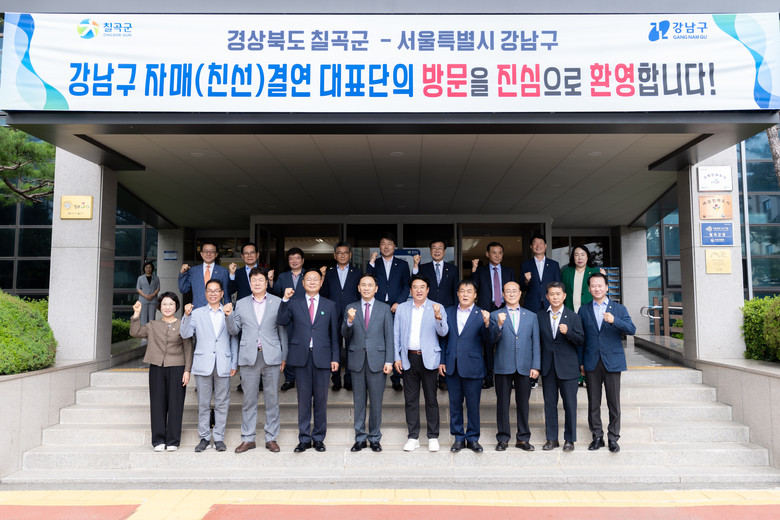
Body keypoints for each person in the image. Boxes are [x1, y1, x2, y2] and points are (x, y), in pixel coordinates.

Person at [225, 267, 287, 454]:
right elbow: (234, 330)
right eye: (254, 281)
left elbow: (282, 331)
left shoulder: (277, 302)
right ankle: (248, 438)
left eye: (261, 280)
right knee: (249, 400)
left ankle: (271, 438)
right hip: (248, 356)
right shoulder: (241, 303)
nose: (257, 283)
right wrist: (228, 316)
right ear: (250, 283)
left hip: (271, 355)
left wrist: (284, 356)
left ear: (266, 283)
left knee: (272, 400)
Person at [277, 269, 339, 453]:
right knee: (303, 400)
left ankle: (318, 438)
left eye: (315, 279)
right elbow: (281, 320)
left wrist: (335, 357)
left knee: (320, 400)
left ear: (321, 283)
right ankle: (304, 439)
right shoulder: (294, 303)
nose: (312, 282)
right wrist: (285, 299)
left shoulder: (330, 305)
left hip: (323, 357)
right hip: (301, 357)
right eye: (308, 279)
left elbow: (334, 334)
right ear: (303, 283)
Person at [578, 272, 636, 453]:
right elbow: (581, 339)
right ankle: (597, 436)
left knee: (613, 402)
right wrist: (581, 362)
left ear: (606, 287)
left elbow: (632, 329)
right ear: (589, 289)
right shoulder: (584, 310)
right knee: (593, 402)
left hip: (612, 361)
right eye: (593, 286)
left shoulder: (619, 309)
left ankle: (613, 437)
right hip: (591, 361)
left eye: (600, 285)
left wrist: (614, 320)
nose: (597, 288)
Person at [180, 278, 237, 453]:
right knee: (203, 404)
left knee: (222, 403)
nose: (213, 294)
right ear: (205, 293)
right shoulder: (196, 313)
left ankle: (218, 438)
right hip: (203, 363)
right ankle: (204, 437)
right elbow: (185, 334)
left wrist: (234, 363)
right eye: (209, 291)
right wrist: (186, 316)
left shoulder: (229, 311)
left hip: (223, 363)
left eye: (216, 290)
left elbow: (234, 335)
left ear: (222, 293)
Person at [129, 292, 192, 452]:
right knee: (157, 404)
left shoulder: (182, 324)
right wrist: (136, 314)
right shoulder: (152, 325)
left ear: (176, 306)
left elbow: (188, 348)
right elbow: (135, 332)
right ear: (159, 307)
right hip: (157, 367)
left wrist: (187, 370)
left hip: (177, 367)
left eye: (171, 304)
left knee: (176, 404)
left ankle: (173, 440)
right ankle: (158, 440)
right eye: (164, 304)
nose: (167, 307)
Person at [394, 275, 449, 452]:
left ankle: (433, 437)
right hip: (408, 358)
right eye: (415, 287)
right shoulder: (402, 308)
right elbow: (396, 335)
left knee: (431, 399)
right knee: (410, 400)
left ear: (428, 289)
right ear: (410, 290)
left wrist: (438, 317)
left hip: (429, 359)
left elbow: (444, 332)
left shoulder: (437, 307)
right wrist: (397, 357)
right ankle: (413, 437)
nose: (418, 290)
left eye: (422, 287)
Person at [342, 274, 394, 452]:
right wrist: (349, 321)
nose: (366, 288)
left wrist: (389, 360)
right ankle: (360, 438)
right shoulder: (350, 308)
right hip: (357, 360)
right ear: (358, 288)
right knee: (359, 401)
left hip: (377, 361)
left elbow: (389, 336)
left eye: (370, 285)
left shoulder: (384, 308)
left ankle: (375, 438)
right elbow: (345, 334)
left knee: (376, 402)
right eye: (363, 285)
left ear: (376, 289)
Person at [441, 279, 491, 453]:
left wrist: (487, 324)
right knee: (455, 404)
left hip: (473, 366)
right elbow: (443, 338)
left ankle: (473, 438)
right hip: (452, 365)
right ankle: (458, 438)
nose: (465, 294)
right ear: (457, 293)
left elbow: (488, 341)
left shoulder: (482, 314)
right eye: (462, 291)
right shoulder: (448, 311)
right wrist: (442, 360)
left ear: (475, 295)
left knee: (473, 405)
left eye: (469, 291)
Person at [489, 281, 540, 452]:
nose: (511, 294)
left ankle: (523, 438)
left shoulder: (531, 316)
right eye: (508, 291)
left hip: (525, 365)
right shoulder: (495, 315)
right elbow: (490, 341)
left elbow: (536, 343)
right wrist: (499, 325)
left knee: (523, 404)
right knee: (502, 404)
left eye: (514, 291)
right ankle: (503, 438)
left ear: (520, 294)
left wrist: (535, 366)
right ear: (503, 295)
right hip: (503, 365)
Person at [537, 281, 584, 452]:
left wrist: (568, 332)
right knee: (550, 404)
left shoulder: (573, 317)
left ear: (564, 296)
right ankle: (551, 439)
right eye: (552, 294)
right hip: (548, 367)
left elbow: (581, 340)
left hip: (568, 368)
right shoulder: (540, 316)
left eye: (558, 294)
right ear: (547, 296)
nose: (555, 297)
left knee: (570, 404)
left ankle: (569, 439)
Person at [366, 231, 410, 392]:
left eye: (389, 244)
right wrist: (371, 262)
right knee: (376, 340)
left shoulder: (402, 264)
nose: (386, 247)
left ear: (394, 246)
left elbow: (406, 286)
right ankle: (375, 374)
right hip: (377, 307)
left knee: (395, 341)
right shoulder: (374, 263)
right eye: (383, 244)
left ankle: (396, 378)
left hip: (394, 307)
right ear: (379, 246)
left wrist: (399, 302)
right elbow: (367, 280)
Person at [413, 240, 458, 392]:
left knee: (445, 342)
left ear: (444, 251)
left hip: (448, 310)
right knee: (428, 341)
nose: (437, 251)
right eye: (434, 248)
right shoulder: (423, 268)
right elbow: (416, 284)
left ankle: (443, 378)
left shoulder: (453, 269)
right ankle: (427, 374)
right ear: (430, 250)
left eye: (440, 248)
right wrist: (415, 266)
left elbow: (455, 291)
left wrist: (455, 310)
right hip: (427, 310)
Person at [470, 241, 516, 389]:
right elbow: (473, 287)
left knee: (507, 342)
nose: (497, 255)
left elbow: (514, 291)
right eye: (494, 252)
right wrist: (474, 270)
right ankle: (488, 378)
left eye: (500, 253)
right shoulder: (481, 271)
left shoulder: (509, 271)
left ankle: (510, 377)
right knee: (488, 345)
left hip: (504, 308)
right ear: (487, 254)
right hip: (486, 309)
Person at [321, 242, 362, 391]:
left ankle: (349, 379)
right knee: (335, 346)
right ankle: (336, 379)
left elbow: (360, 294)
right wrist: (322, 277)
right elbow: (324, 294)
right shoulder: (329, 273)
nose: (342, 255)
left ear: (350, 255)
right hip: (333, 313)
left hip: (352, 314)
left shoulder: (358, 272)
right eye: (339, 252)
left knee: (352, 346)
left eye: (345, 252)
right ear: (334, 255)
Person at [270, 247, 306, 391]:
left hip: (305, 316)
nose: (294, 261)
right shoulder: (283, 276)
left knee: (304, 346)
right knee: (288, 346)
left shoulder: (308, 275)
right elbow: (276, 292)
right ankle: (289, 378)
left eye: (297, 258)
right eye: (291, 258)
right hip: (288, 315)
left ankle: (303, 378)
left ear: (302, 260)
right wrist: (271, 281)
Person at [178, 241, 230, 309]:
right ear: (201, 254)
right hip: (197, 309)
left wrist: (227, 310)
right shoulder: (193, 271)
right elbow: (183, 289)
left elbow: (226, 294)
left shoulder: (223, 271)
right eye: (205, 251)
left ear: (216, 254)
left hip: (216, 310)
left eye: (212, 251)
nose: (208, 254)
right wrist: (182, 273)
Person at [520, 233, 562, 313]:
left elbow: (558, 285)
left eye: (541, 243)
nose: (538, 246)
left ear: (545, 245)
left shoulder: (554, 265)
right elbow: (522, 288)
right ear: (531, 246)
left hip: (550, 303)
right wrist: (526, 281)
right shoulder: (526, 265)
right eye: (535, 243)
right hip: (532, 304)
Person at [561, 244, 606, 313]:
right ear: (573, 257)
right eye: (577, 255)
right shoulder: (566, 272)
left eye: (582, 255)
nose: (580, 258)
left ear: (587, 257)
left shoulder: (595, 272)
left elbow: (602, 292)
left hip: (590, 311)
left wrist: (603, 277)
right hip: (570, 311)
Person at [135, 261, 160, 326]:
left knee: (152, 317)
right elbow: (138, 289)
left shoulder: (156, 278)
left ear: (152, 268)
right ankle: (143, 331)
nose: (148, 269)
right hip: (143, 300)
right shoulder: (140, 278)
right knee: (143, 317)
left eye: (150, 267)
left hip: (153, 300)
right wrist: (145, 296)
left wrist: (153, 295)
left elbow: (158, 288)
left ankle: (151, 330)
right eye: (147, 267)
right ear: (144, 268)